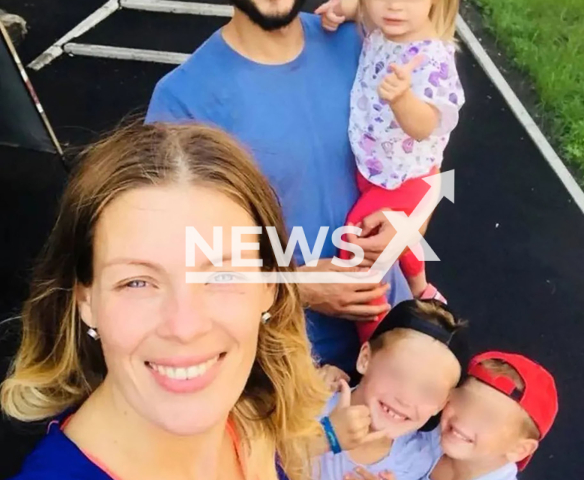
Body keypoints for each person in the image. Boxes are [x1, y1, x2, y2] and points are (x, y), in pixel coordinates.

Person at [0, 122, 329, 480]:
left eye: (222, 276)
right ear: (86, 300)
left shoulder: (254, 415)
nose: (185, 327)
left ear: (270, 288)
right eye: (137, 282)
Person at [144, 0, 414, 373]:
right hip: (286, 360)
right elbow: (176, 260)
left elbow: (421, 164)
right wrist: (296, 288)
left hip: (392, 333)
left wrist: (406, 222)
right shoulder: (184, 100)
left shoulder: (360, 43)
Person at [315, 0, 465, 342]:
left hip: (406, 177)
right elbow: (363, 11)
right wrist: (345, 9)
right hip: (377, 168)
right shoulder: (384, 30)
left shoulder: (432, 59)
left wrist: (402, 100)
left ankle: (377, 338)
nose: (394, 6)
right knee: (401, 236)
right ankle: (422, 290)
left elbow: (425, 125)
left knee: (357, 246)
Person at [312, 299, 468, 480]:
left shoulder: (419, 459)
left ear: (441, 405)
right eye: (397, 374)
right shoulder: (307, 407)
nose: (406, 399)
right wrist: (326, 438)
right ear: (365, 360)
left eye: (428, 391)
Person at [346, 351, 559, 480]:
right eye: (464, 400)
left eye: (487, 417)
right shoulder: (435, 434)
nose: (464, 418)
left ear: (518, 449)